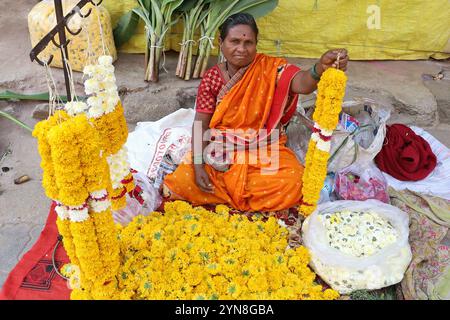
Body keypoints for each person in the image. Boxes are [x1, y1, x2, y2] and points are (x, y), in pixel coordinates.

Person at [164, 13, 348, 212]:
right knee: (184, 179)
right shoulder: (213, 78)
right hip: (222, 150)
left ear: (256, 44)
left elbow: (302, 83)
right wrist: (199, 165)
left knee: (294, 182)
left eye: (248, 43)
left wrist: (319, 68)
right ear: (221, 42)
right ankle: (241, 197)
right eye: (234, 41)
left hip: (264, 148)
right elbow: (201, 123)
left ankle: (224, 197)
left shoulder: (272, 69)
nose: (241, 49)